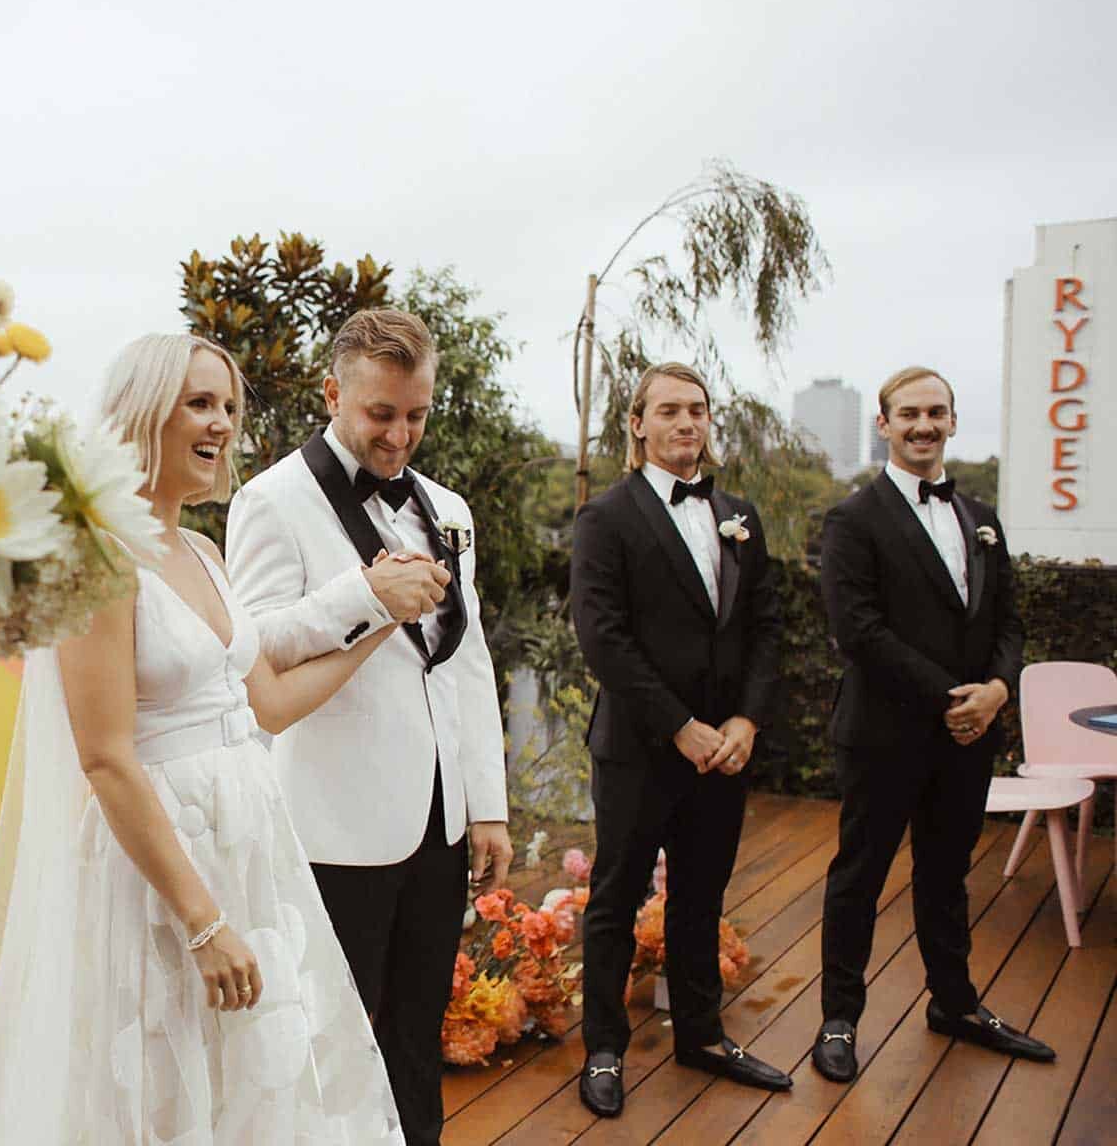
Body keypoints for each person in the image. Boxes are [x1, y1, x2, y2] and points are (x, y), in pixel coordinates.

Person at [0, 333, 405, 1145]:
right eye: (200, 402)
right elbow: (105, 756)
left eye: (228, 406)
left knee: (244, 1079)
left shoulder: (201, 549)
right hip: (159, 875)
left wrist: (379, 625)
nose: (222, 423)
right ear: (144, 414)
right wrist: (203, 921)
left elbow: (264, 702)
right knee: (157, 1087)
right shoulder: (92, 556)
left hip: (248, 851)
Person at [225, 309, 513, 1146]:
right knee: (324, 1040)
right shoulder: (270, 501)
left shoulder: (449, 508)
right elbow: (254, 649)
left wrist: (484, 804)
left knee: (416, 1036)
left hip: (438, 822)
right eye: (381, 414)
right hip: (330, 825)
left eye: (416, 415)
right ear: (332, 393)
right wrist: (363, 597)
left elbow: (466, 661)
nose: (400, 436)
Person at [811, 366, 1049, 1083]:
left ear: (952, 421)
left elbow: (1007, 618)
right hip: (886, 735)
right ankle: (839, 1019)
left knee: (947, 878)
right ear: (883, 424)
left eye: (936, 412)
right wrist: (957, 697)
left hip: (969, 739)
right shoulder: (853, 520)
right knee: (859, 877)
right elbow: (859, 632)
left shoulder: (983, 517)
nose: (923, 425)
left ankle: (954, 1003)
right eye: (908, 413)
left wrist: (1000, 689)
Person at [568, 361, 790, 1118]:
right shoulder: (606, 517)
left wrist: (745, 721)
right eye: (669, 411)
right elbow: (603, 637)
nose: (687, 423)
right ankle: (603, 1047)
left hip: (723, 751)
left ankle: (702, 1034)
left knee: (702, 899)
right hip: (640, 749)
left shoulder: (740, 515)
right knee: (615, 899)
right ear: (638, 423)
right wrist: (679, 726)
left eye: (697, 410)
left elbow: (766, 628)